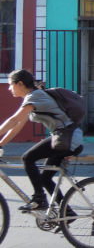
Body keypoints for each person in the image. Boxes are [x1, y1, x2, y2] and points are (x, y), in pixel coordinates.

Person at [0, 69, 83, 211]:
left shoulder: (35, 96)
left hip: (66, 137)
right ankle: (67, 214)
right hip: (65, 137)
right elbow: (18, 125)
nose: (9, 88)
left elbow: (13, 120)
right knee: (44, 179)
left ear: (20, 84)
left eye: (10, 84)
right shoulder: (33, 98)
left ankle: (39, 199)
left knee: (27, 158)